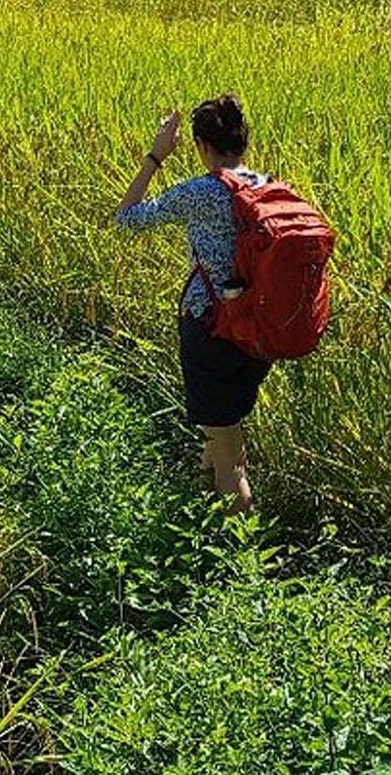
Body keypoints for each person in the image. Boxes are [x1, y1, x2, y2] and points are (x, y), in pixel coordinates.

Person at [112, 95, 270, 515]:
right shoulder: (268, 187)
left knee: (229, 457)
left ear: (201, 145)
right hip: (256, 333)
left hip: (211, 327)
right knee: (223, 432)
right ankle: (202, 513)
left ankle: (240, 561)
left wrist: (155, 155)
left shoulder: (202, 191)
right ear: (244, 141)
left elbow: (125, 217)